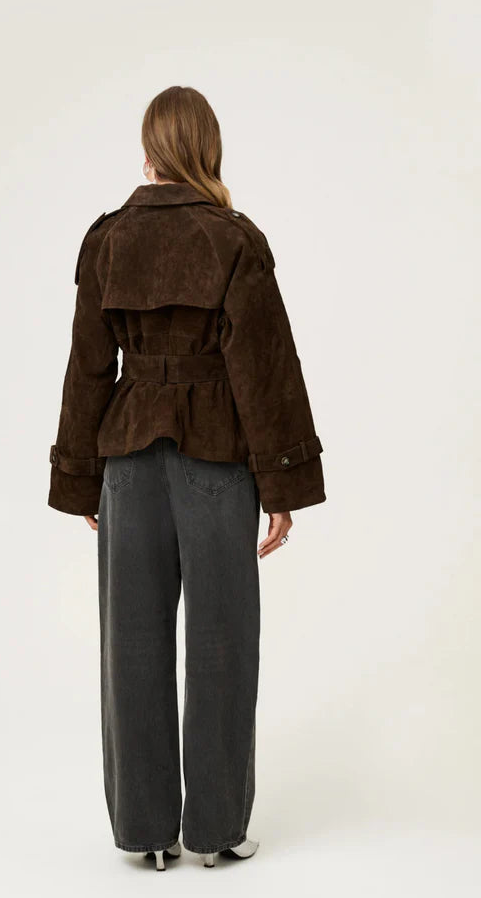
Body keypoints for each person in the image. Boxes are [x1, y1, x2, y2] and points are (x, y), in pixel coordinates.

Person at [47, 85, 326, 871]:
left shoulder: (107, 239)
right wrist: (281, 487)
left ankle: (147, 835)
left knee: (130, 644)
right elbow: (265, 371)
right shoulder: (235, 240)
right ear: (207, 149)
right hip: (217, 458)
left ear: (149, 152)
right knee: (223, 644)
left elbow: (88, 369)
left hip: (128, 462)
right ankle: (217, 832)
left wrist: (83, 480)